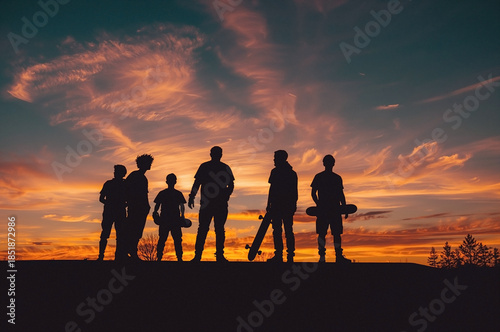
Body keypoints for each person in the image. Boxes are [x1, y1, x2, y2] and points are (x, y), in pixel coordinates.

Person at [188, 146, 234, 262]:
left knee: (215, 229)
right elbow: (197, 183)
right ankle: (199, 256)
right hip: (208, 203)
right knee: (206, 229)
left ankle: (217, 255)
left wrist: (226, 195)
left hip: (218, 204)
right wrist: (191, 196)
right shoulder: (207, 166)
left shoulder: (222, 167)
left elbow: (231, 185)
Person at [311, 155, 351, 263]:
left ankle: (337, 256)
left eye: (330, 162)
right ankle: (324, 257)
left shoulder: (336, 178)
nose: (328, 164)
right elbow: (313, 193)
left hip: (334, 209)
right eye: (327, 162)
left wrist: (344, 207)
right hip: (327, 209)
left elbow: (340, 194)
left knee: (335, 233)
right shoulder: (321, 177)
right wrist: (318, 204)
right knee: (324, 233)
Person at [267, 150, 298, 263]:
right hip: (276, 205)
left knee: (287, 230)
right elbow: (272, 189)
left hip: (286, 205)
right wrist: (268, 203)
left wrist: (293, 205)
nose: (274, 160)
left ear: (281, 158)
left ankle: (289, 255)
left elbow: (294, 191)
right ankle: (279, 255)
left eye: (275, 157)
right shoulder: (275, 172)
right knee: (278, 230)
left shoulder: (291, 173)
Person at [125, 154, 154, 261]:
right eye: (149, 163)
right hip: (136, 207)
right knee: (134, 229)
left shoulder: (140, 176)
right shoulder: (136, 176)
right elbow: (127, 190)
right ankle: (130, 252)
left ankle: (132, 252)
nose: (150, 165)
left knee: (137, 230)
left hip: (140, 207)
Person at [153, 173, 186, 262]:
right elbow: (182, 206)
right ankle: (177, 258)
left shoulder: (163, 193)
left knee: (168, 239)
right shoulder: (177, 193)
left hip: (169, 219)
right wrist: (182, 216)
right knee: (173, 239)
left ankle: (162, 257)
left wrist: (155, 213)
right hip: (170, 219)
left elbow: (157, 205)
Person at [98, 164, 127, 261]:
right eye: (115, 171)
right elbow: (101, 199)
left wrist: (119, 204)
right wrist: (111, 204)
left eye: (117, 171)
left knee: (120, 235)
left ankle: (117, 257)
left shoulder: (124, 184)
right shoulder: (109, 184)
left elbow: (101, 199)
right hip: (110, 211)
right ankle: (101, 256)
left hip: (116, 211)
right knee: (106, 234)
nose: (115, 173)